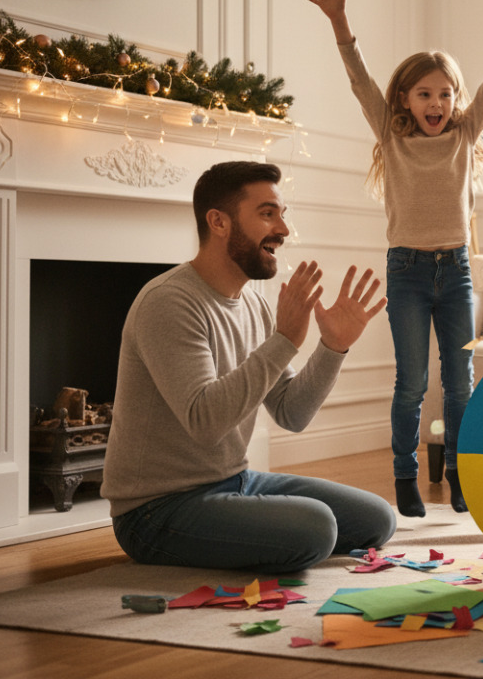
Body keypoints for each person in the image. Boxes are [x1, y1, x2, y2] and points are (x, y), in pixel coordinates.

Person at [308, 0, 483, 517]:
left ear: (455, 100)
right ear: (406, 99)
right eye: (424, 94)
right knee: (412, 383)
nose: (435, 102)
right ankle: (405, 477)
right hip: (408, 272)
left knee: (460, 384)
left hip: (457, 270)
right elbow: (359, 80)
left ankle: (461, 475)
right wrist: (342, 24)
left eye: (444, 94)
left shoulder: (466, 132)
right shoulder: (390, 135)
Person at [102, 161, 396, 573]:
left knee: (376, 518)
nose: (283, 229)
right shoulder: (168, 303)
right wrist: (284, 341)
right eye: (267, 213)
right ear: (219, 222)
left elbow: (291, 413)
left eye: (281, 214)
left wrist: (332, 347)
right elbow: (205, 421)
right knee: (316, 530)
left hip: (235, 482)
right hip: (156, 510)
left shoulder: (254, 304)